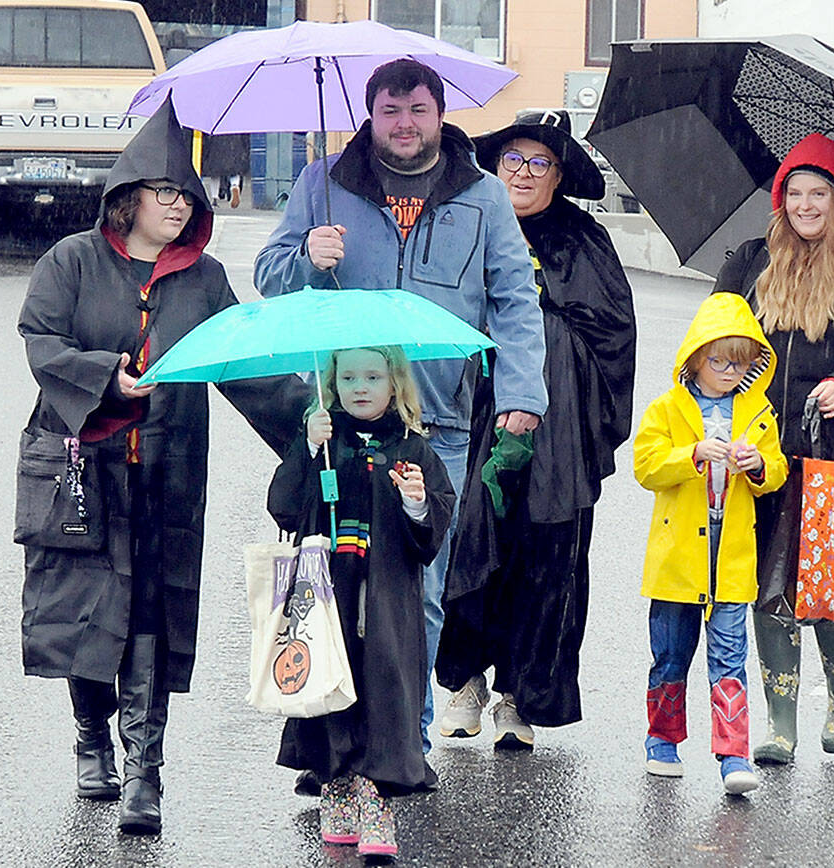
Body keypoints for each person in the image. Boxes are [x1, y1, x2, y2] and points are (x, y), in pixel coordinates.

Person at [16, 101, 307, 835]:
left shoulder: (204, 280)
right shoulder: (73, 261)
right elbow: (40, 337)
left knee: (152, 615)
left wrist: (311, 425)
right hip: (84, 468)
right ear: (129, 196)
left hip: (166, 474)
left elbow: (245, 365)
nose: (179, 207)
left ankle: (145, 773)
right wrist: (103, 378)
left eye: (189, 195)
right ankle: (91, 738)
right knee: (89, 609)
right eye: (166, 192)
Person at [253, 58, 548, 756]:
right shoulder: (322, 184)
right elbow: (269, 277)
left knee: (419, 592)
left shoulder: (482, 195)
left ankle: (402, 745)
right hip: (341, 427)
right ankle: (335, 743)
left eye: (417, 110)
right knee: (337, 585)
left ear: (439, 114)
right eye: (391, 111)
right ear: (371, 114)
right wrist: (307, 256)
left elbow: (512, 299)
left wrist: (522, 394)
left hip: (437, 425)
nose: (405, 124)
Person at [434, 110, 636, 749]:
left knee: (542, 557)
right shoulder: (465, 223)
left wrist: (539, 332)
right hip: (469, 410)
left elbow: (613, 335)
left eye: (539, 163)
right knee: (466, 539)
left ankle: (519, 695)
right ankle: (464, 679)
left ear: (558, 176)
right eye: (513, 160)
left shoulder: (584, 240)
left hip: (556, 426)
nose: (523, 173)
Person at [715, 133, 834, 763]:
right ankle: (780, 720)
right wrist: (728, 383)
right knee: (768, 581)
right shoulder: (749, 262)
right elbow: (713, 339)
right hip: (761, 454)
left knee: (822, 579)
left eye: (818, 192)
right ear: (780, 201)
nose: (805, 204)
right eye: (794, 192)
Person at [267, 346, 455, 860]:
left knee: (384, 696)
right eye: (348, 377)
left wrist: (416, 500)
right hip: (330, 596)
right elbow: (283, 506)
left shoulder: (414, 449)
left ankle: (376, 800)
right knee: (330, 690)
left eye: (373, 376)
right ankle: (337, 790)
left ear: (394, 383)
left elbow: (432, 530)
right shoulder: (324, 443)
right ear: (332, 385)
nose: (360, 387)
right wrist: (307, 451)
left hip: (388, 602)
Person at [632, 292, 787, 794]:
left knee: (729, 654)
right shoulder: (667, 409)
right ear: (695, 357)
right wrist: (693, 453)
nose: (726, 371)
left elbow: (776, 470)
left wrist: (758, 466)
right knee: (671, 653)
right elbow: (646, 466)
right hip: (679, 558)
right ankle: (662, 741)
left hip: (732, 556)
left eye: (738, 363)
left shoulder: (758, 412)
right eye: (717, 360)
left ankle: (732, 755)